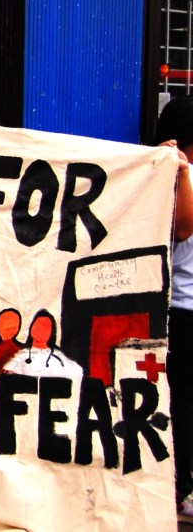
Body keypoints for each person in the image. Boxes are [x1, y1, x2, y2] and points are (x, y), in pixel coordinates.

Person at [154, 94, 193, 522]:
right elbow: (182, 229)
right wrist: (178, 169)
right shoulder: (174, 171)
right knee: (181, 404)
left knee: (183, 404)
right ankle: (178, 489)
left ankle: (180, 487)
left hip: (184, 307)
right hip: (182, 308)